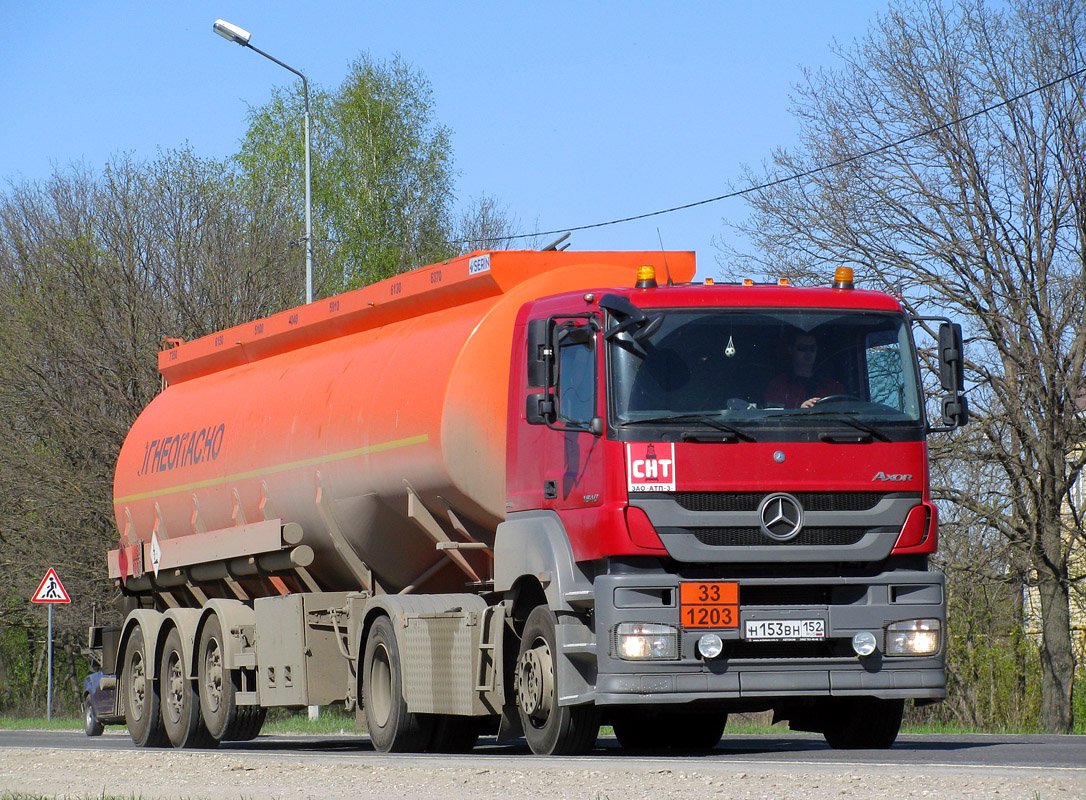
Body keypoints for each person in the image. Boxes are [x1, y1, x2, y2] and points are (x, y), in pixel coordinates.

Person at [764, 333, 845, 409]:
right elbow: (774, 418)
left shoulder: (834, 387)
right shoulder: (778, 386)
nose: (808, 352)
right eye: (802, 348)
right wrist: (800, 412)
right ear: (791, 350)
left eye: (812, 348)